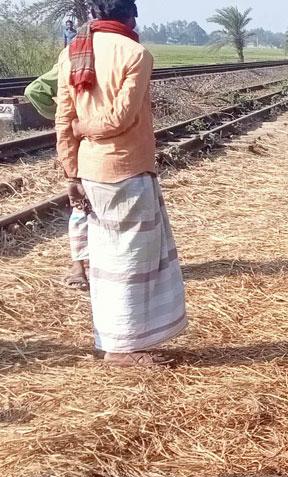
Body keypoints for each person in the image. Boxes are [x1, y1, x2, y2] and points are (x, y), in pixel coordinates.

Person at [55, 0, 187, 366]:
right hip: (125, 170)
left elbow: (63, 119)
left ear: (94, 16)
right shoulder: (136, 54)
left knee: (107, 261)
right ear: (129, 17)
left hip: (89, 170)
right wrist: (87, 128)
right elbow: (120, 119)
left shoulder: (72, 53)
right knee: (132, 263)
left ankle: (118, 341)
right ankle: (122, 349)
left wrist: (71, 172)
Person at [24, 63, 90, 290]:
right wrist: (67, 116)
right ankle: (80, 265)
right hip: (94, 140)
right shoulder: (74, 57)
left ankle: (80, 266)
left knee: (82, 204)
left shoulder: (74, 55)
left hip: (87, 139)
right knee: (82, 203)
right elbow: (34, 91)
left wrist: (65, 117)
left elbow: (35, 90)